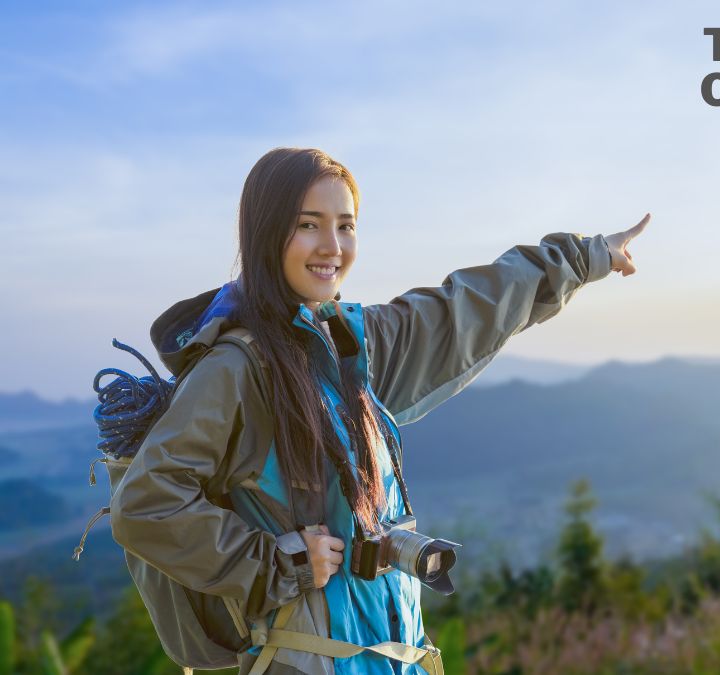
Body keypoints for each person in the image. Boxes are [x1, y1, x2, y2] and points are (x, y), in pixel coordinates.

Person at [109, 147, 648, 674]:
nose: (332, 246)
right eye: (308, 225)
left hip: (390, 656)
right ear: (265, 233)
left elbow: (463, 309)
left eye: (345, 225)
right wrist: (278, 563)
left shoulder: (350, 346)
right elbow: (147, 503)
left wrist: (586, 256)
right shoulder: (236, 369)